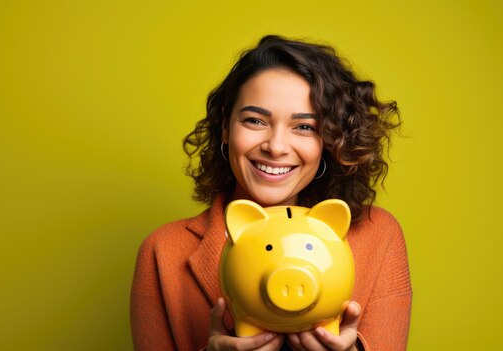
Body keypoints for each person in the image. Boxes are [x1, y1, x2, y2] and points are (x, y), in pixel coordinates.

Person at [131, 35, 412, 351]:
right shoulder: (163, 251)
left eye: (304, 127)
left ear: (330, 139)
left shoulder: (379, 236)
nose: (276, 147)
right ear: (225, 127)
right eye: (255, 120)